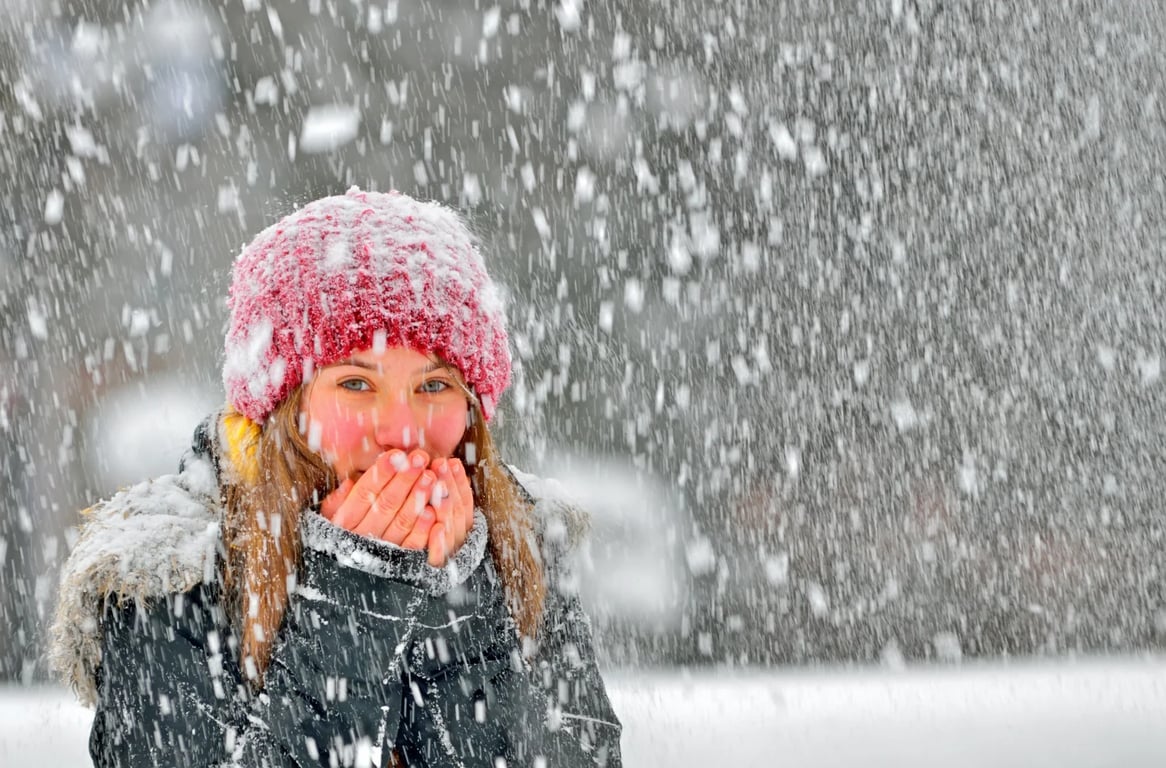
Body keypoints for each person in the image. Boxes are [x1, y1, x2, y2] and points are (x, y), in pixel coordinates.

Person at [49, 188, 623, 767]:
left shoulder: (518, 543)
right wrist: (352, 605)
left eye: (434, 385)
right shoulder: (170, 578)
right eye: (355, 383)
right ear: (283, 409)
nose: (402, 431)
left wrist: (457, 607)